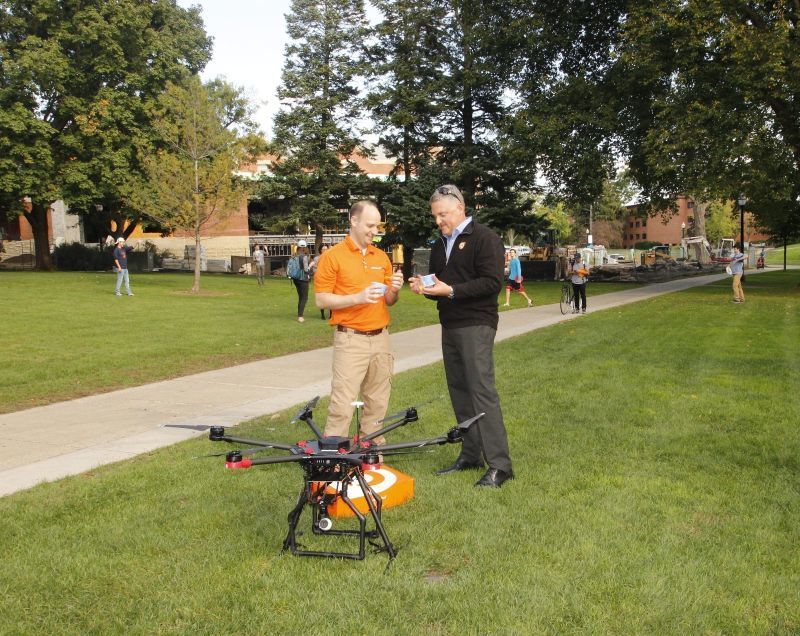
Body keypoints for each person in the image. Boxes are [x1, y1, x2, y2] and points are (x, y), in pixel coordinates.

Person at [408, 184, 513, 488]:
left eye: (442, 214)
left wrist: (451, 290)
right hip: (450, 324)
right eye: (435, 216)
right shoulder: (441, 244)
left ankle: (500, 465)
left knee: (481, 391)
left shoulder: (485, 238)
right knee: (459, 390)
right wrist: (426, 289)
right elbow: (442, 287)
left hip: (477, 324)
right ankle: (471, 455)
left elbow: (492, 283)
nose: (438, 221)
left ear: (460, 208)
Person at [314, 201, 404, 443]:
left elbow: (390, 299)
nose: (375, 231)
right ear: (353, 221)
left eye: (378, 226)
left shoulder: (382, 257)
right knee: (342, 403)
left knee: (377, 402)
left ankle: (372, 456)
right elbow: (321, 300)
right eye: (370, 225)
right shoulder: (332, 257)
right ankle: (334, 461)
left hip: (381, 339)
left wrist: (394, 289)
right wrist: (357, 298)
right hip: (350, 339)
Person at [291, 240, 311, 322]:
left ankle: (300, 314)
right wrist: (310, 267)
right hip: (303, 278)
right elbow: (306, 269)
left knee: (300, 297)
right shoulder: (304, 257)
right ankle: (300, 316)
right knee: (304, 297)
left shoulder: (294, 255)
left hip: (295, 278)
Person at [310, 244, 330, 320]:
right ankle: (322, 315)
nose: (325, 251)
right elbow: (314, 269)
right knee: (322, 297)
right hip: (321, 280)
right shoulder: (316, 258)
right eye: (323, 249)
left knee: (330, 296)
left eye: (326, 249)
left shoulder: (331, 257)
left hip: (330, 280)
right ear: (320, 250)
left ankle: (331, 314)